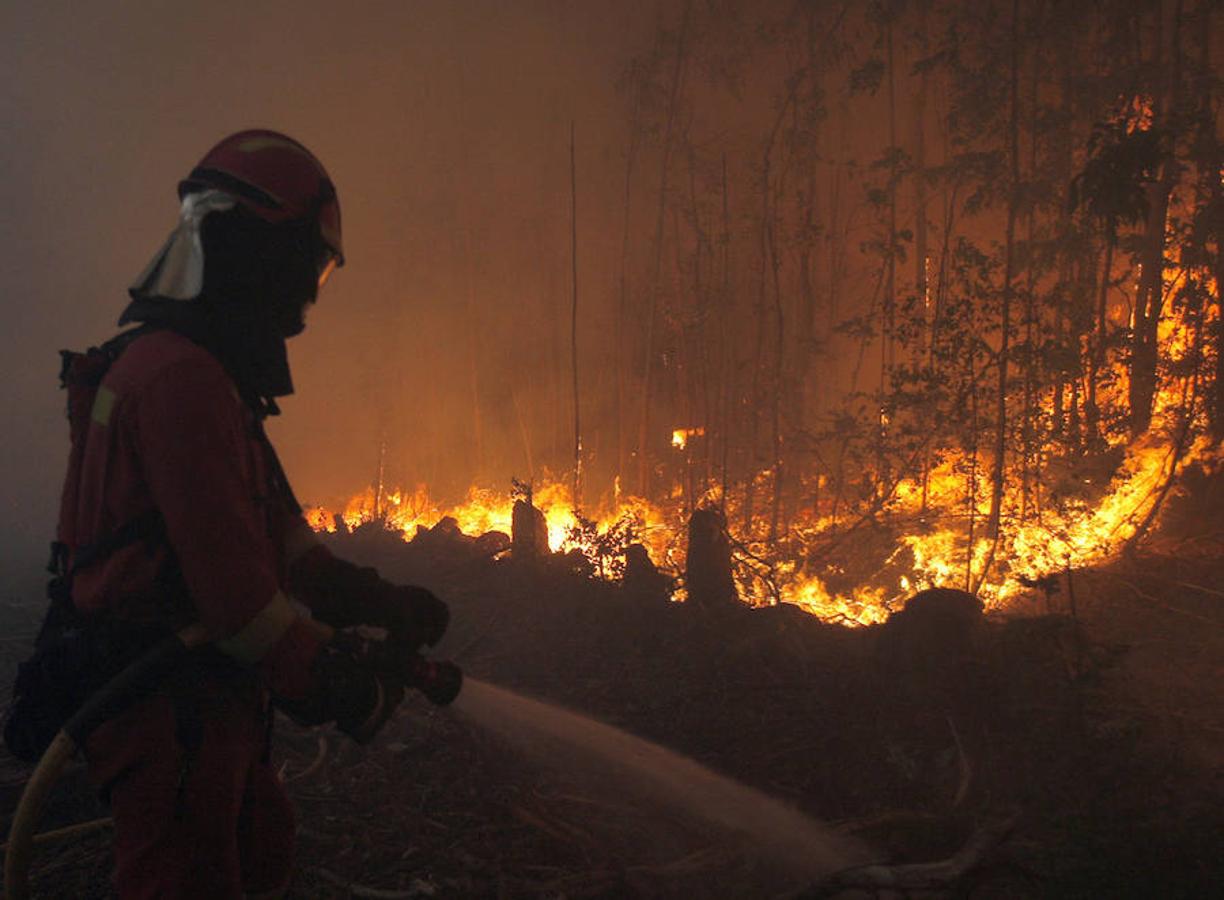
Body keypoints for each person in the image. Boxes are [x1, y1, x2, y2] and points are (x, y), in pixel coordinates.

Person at [56, 130, 449, 898]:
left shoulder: (199, 373)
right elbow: (236, 603)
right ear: (253, 253)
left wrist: (369, 598)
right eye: (306, 268)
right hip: (165, 702)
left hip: (201, 700)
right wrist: (333, 681)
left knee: (260, 846)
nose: (306, 299)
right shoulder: (179, 382)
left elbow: (276, 533)